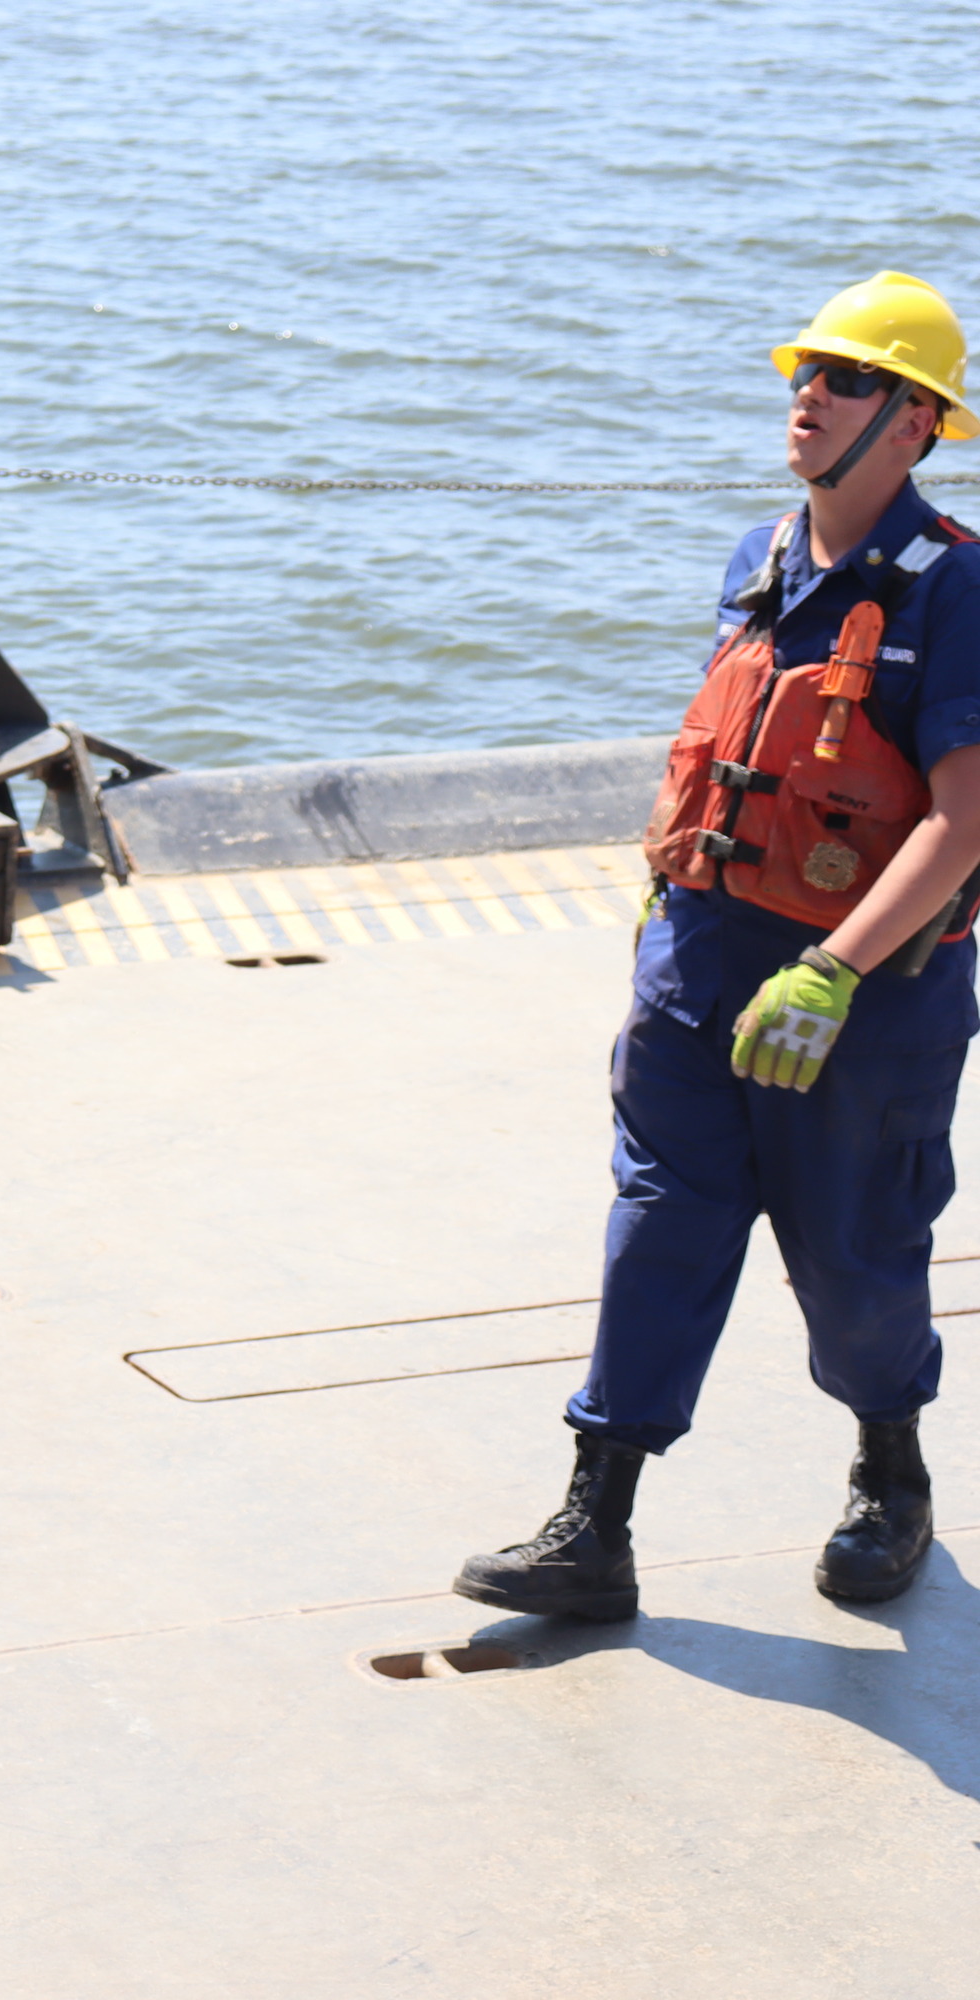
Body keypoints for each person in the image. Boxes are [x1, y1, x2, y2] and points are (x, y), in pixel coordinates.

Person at [460, 271, 980, 1620]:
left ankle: (890, 1473)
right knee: (659, 1231)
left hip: (862, 998)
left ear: (917, 423)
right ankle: (597, 1523)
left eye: (849, 378)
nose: (811, 396)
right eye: (806, 371)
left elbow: (964, 826)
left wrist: (834, 972)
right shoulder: (758, 559)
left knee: (856, 1257)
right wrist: (666, 916)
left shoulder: (957, 595)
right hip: (697, 972)